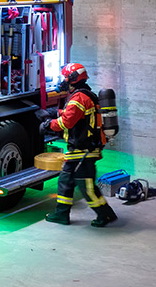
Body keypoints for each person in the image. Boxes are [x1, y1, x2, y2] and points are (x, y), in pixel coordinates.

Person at [39, 63, 119, 227]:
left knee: (86, 186)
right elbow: (75, 115)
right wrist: (55, 113)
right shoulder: (85, 95)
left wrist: (48, 125)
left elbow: (67, 122)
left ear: (72, 78)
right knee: (65, 181)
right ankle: (61, 214)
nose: (63, 81)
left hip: (83, 150)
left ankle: (105, 214)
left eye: (65, 78)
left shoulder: (78, 98)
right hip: (80, 150)